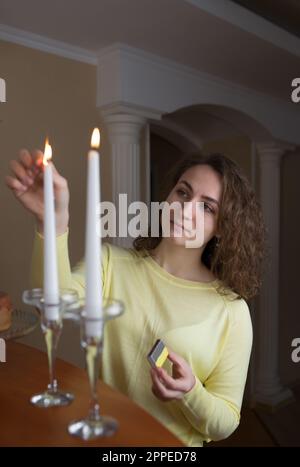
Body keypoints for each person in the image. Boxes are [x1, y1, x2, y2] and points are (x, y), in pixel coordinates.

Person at [5, 149, 267, 447]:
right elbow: (50, 306)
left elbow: (226, 421)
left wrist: (190, 392)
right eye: (183, 192)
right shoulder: (110, 263)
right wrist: (52, 222)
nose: (186, 209)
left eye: (207, 207)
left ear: (223, 227)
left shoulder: (232, 311)